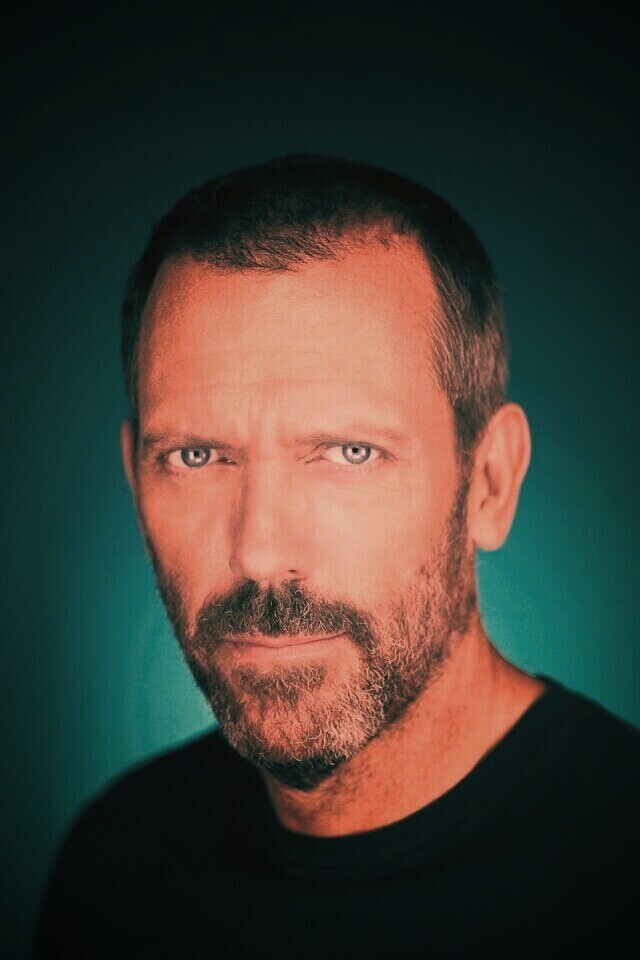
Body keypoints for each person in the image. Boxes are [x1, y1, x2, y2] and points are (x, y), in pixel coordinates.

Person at [32, 154, 639, 958]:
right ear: (134, 476)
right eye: (195, 456)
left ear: (489, 483)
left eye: (350, 452)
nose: (259, 553)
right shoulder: (114, 867)